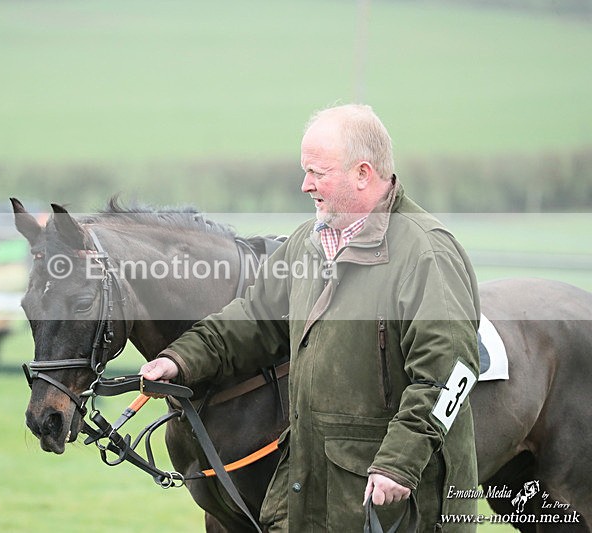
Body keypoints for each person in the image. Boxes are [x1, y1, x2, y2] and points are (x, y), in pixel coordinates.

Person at [140, 104, 480, 531]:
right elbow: (254, 318)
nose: (305, 185)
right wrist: (181, 359)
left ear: (362, 173)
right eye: (306, 171)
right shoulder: (307, 243)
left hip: (394, 504)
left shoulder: (425, 252)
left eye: (318, 172)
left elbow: (450, 375)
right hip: (307, 491)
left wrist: (399, 464)